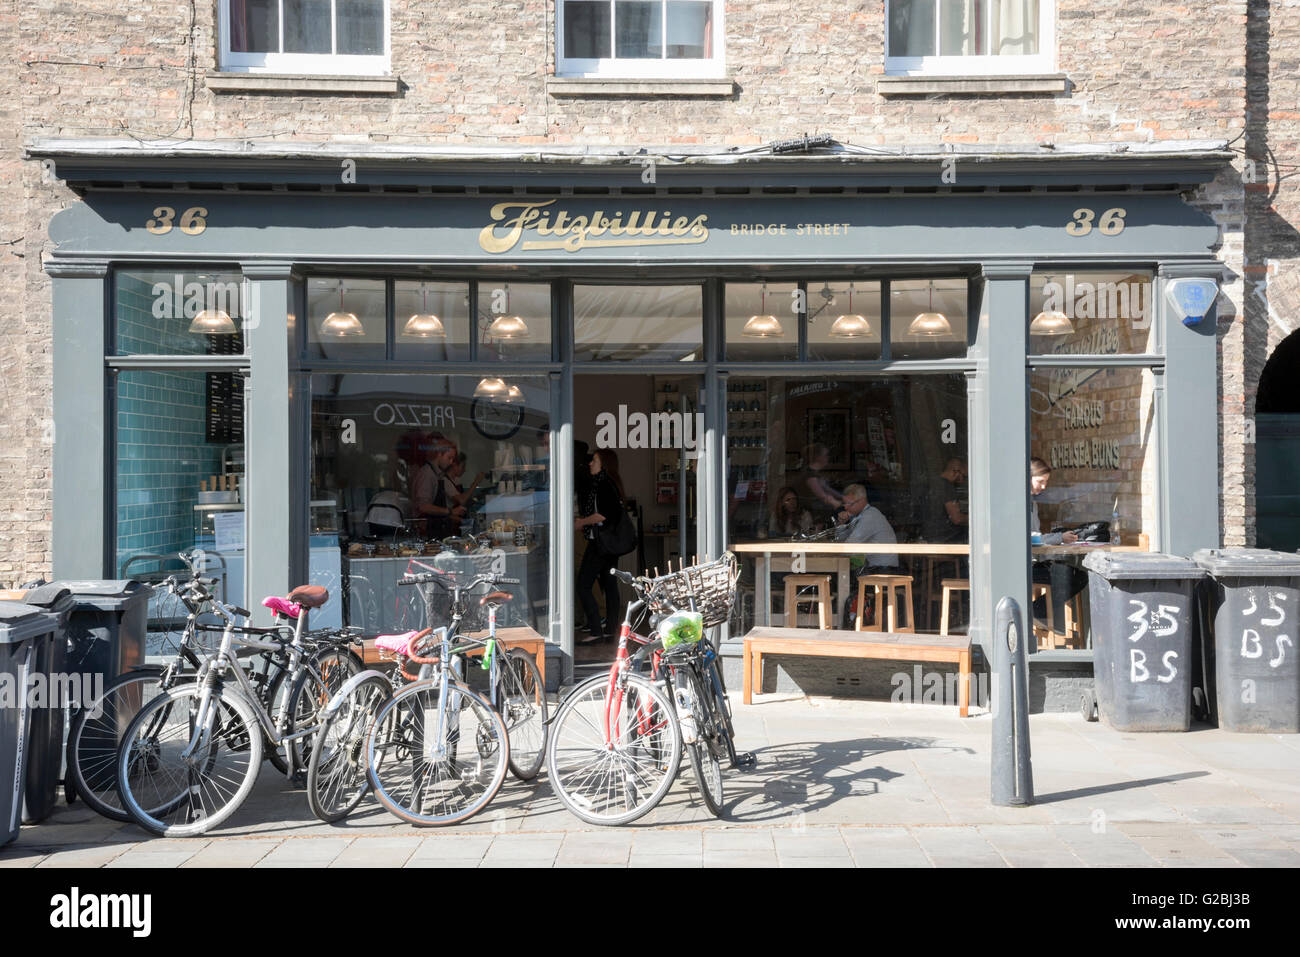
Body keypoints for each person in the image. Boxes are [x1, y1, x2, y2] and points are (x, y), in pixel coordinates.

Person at [574, 449, 626, 644]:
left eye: (594, 460)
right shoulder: (608, 482)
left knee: (583, 584)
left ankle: (596, 629)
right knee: (609, 584)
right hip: (608, 542)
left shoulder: (603, 484)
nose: (590, 464)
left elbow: (603, 515)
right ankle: (610, 630)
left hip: (601, 542)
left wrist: (582, 522)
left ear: (604, 463)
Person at [1029, 456, 1087, 632]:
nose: (1044, 486)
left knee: (1071, 573)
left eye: (1046, 482)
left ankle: (1038, 612)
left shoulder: (1032, 503)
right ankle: (1036, 611)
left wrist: (1055, 543)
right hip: (1019, 567)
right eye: (1040, 481)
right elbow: (1029, 538)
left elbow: (1035, 539)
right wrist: (1059, 538)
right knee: (1075, 577)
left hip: (1031, 563)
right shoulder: (1020, 503)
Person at [413, 433, 465, 539]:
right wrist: (450, 511)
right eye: (449, 458)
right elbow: (423, 506)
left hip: (438, 530)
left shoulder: (438, 474)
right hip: (427, 533)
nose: (451, 462)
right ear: (439, 454)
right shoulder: (427, 474)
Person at [923, 457, 968, 543]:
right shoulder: (947, 486)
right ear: (956, 472)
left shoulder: (933, 483)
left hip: (930, 535)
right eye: (964, 476)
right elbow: (957, 519)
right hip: (945, 538)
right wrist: (974, 519)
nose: (963, 480)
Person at [803, 444, 844, 514]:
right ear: (818, 457)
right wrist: (839, 503)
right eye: (826, 455)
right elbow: (823, 496)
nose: (828, 457)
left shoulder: (815, 473)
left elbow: (827, 489)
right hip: (817, 512)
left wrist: (843, 497)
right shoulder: (810, 476)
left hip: (822, 508)